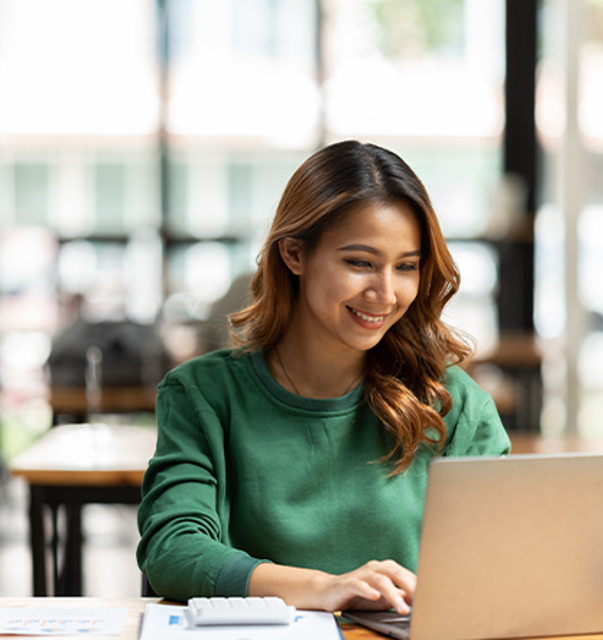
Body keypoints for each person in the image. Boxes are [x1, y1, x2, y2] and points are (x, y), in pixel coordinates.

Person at [136, 140, 510, 613]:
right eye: (360, 263)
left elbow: (498, 566)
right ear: (294, 254)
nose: (386, 293)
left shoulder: (455, 406)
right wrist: (322, 588)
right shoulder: (203, 395)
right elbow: (172, 550)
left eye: (407, 267)